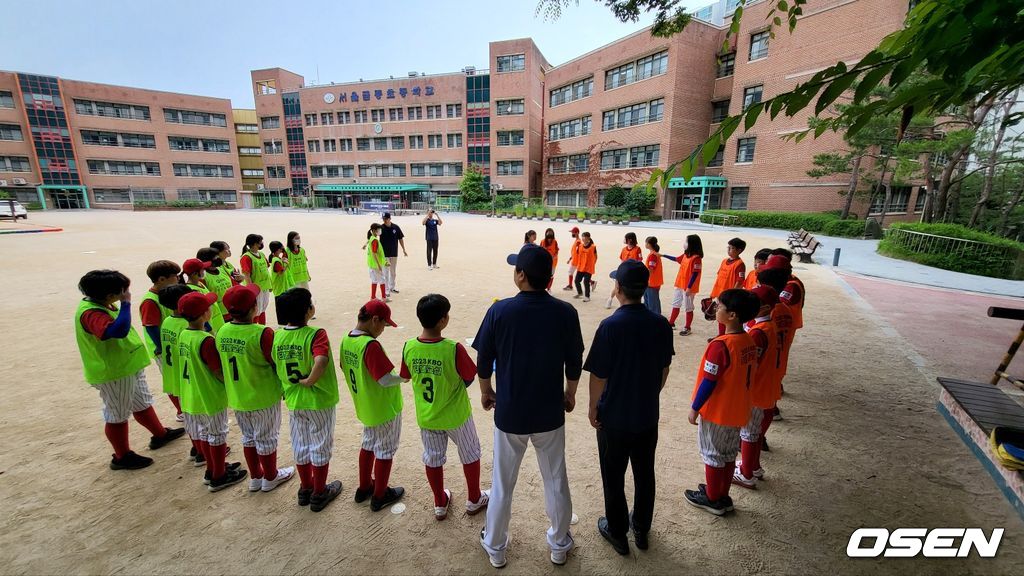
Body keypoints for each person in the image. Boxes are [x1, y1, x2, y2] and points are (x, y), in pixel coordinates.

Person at [474, 244, 584, 568]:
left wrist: (486, 390)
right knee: (555, 479)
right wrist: (570, 393)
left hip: (510, 412)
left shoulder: (499, 311)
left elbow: (483, 359)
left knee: (502, 482)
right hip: (549, 411)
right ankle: (559, 543)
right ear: (550, 279)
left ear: (520, 275)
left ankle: (495, 545)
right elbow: (574, 362)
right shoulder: (566, 313)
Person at [586, 260, 673, 555]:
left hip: (615, 417)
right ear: (645, 288)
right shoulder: (660, 324)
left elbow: (599, 374)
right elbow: (664, 369)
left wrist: (593, 407)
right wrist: (649, 394)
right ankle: (642, 527)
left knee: (613, 474)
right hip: (647, 415)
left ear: (618, 288)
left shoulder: (611, 326)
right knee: (644, 472)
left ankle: (617, 530)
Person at [74, 270, 185, 470]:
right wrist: (126, 304)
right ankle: (121, 455)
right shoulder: (91, 312)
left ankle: (159, 434)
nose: (126, 293)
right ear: (109, 294)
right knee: (116, 413)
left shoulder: (104, 304)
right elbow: (118, 330)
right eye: (122, 291)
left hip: (128, 364)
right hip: (113, 371)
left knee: (141, 402)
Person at [400, 294, 490, 521]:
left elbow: (405, 375)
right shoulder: (452, 348)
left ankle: (439, 502)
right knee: (470, 452)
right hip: (456, 415)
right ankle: (473, 498)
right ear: (442, 320)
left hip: (427, 416)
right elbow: (470, 376)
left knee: (433, 457)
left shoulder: (409, 346)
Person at [684, 288, 759, 515]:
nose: (716, 309)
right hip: (737, 409)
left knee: (713, 454)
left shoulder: (721, 345)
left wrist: (694, 408)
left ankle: (713, 498)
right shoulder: (747, 339)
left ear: (733, 315)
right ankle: (722, 494)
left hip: (719, 410)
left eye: (720, 306)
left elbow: (709, 381)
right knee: (727, 454)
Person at [217, 283, 295, 493]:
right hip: (263, 395)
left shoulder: (223, 330)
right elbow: (275, 362)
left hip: (238, 395)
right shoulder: (262, 332)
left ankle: (256, 476)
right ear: (254, 307)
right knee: (267, 437)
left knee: (249, 437)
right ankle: (270, 476)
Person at [272, 288, 343, 511]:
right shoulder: (316, 333)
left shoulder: (278, 335)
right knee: (320, 444)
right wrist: (311, 380)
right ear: (308, 310)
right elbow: (320, 360)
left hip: (294, 399)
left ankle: (305, 487)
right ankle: (320, 491)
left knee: (300, 444)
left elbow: (275, 363)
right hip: (318, 399)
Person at [176, 291, 248, 492]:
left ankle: (212, 468)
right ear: (205, 314)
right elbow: (217, 371)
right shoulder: (205, 340)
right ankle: (218, 476)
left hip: (191, 394)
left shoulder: (184, 333)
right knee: (216, 436)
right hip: (209, 395)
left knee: (206, 435)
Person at [340, 299, 406, 512]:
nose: (383, 330)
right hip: (384, 407)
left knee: (368, 444)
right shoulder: (371, 345)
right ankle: (379, 495)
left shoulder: (346, 340)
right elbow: (385, 379)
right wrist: (404, 378)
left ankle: (364, 487)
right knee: (385, 449)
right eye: (383, 325)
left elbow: (344, 365)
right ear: (374, 320)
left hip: (365, 405)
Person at [733, 285, 781, 489]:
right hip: (767, 385)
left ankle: (746, 473)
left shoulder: (760, 332)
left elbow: (753, 362)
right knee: (753, 431)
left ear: (766, 307)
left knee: (749, 432)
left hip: (757, 389)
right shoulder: (769, 327)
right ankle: (753, 467)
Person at [158, 285, 194, 435]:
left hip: (176, 374)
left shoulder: (167, 321)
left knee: (190, 417)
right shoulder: (187, 325)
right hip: (189, 377)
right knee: (200, 418)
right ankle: (201, 451)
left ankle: (197, 448)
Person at [139, 260, 180, 379]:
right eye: (175, 276)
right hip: (165, 349)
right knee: (173, 381)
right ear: (162, 279)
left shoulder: (166, 293)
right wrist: (163, 348)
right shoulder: (150, 301)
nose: (178, 278)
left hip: (173, 344)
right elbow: (151, 328)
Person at [664, 234, 704, 335]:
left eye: (686, 241)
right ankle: (671, 323)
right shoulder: (686, 255)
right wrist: (663, 255)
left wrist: (689, 287)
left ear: (692, 244)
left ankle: (687, 327)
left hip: (688, 288)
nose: (684, 243)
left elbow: (695, 274)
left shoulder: (696, 258)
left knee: (688, 307)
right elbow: (676, 259)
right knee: (676, 304)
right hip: (680, 284)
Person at [709, 238, 747, 338]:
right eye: (728, 247)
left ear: (739, 250)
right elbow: (719, 277)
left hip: (728, 295)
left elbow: (740, 281)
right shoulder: (724, 261)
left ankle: (726, 335)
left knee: (727, 317)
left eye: (732, 248)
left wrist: (732, 295)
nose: (729, 250)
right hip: (720, 293)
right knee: (720, 315)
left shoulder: (740, 264)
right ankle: (721, 334)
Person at [182, 258, 225, 334]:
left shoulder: (199, 283)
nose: (204, 271)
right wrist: (210, 331)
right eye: (202, 269)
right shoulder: (192, 291)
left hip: (217, 323)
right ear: (194, 273)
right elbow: (199, 315)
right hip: (211, 329)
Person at [240, 234, 272, 325]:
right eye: (260, 242)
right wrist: (251, 290)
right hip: (256, 289)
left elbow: (266, 270)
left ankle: (263, 328)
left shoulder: (261, 254)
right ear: (255, 244)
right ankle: (254, 327)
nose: (262, 243)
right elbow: (247, 275)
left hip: (265, 287)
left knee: (263, 309)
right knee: (256, 310)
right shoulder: (246, 257)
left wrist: (270, 285)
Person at [197, 248, 233, 327]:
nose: (217, 260)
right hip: (217, 315)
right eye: (214, 259)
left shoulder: (222, 269)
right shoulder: (203, 277)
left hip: (231, 311)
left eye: (217, 258)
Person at [607, 233, 642, 308]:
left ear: (629, 240)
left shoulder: (637, 249)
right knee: (618, 286)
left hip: (633, 272)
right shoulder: (624, 249)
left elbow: (639, 261)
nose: (624, 240)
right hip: (624, 271)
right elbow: (622, 260)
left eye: (625, 238)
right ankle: (610, 298)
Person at [379, 213, 408, 294]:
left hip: (394, 253)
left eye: (386, 219)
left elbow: (400, 238)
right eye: (383, 219)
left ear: (389, 218)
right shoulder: (380, 228)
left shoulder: (396, 227)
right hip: (384, 254)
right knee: (385, 272)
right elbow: (373, 236)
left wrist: (404, 249)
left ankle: (392, 287)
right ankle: (386, 290)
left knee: (393, 272)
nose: (384, 220)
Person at [366, 223, 390, 301]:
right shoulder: (375, 240)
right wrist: (379, 265)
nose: (380, 231)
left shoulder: (371, 238)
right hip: (376, 264)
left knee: (374, 280)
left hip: (371, 264)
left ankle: (373, 297)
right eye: (378, 230)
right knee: (382, 280)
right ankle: (384, 297)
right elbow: (374, 253)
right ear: (374, 230)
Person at [574, 232, 597, 302]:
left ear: (588, 238)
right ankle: (580, 292)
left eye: (584, 236)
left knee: (586, 281)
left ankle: (587, 296)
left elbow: (596, 256)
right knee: (576, 281)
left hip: (588, 268)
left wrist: (592, 264)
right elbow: (577, 255)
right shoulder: (580, 246)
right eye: (582, 236)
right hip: (581, 267)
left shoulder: (593, 247)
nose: (583, 238)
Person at [643, 236, 664, 316]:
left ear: (649, 244)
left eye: (646, 242)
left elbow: (651, 269)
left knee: (652, 304)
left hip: (652, 282)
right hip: (651, 282)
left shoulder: (653, 255)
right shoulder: (653, 254)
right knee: (649, 303)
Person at [562, 227, 581, 291]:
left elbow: (578, 252)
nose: (572, 233)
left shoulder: (578, 241)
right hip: (575, 260)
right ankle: (592, 282)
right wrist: (570, 259)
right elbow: (574, 252)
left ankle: (570, 286)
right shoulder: (577, 240)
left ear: (577, 233)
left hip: (576, 261)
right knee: (581, 274)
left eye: (573, 232)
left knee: (571, 272)